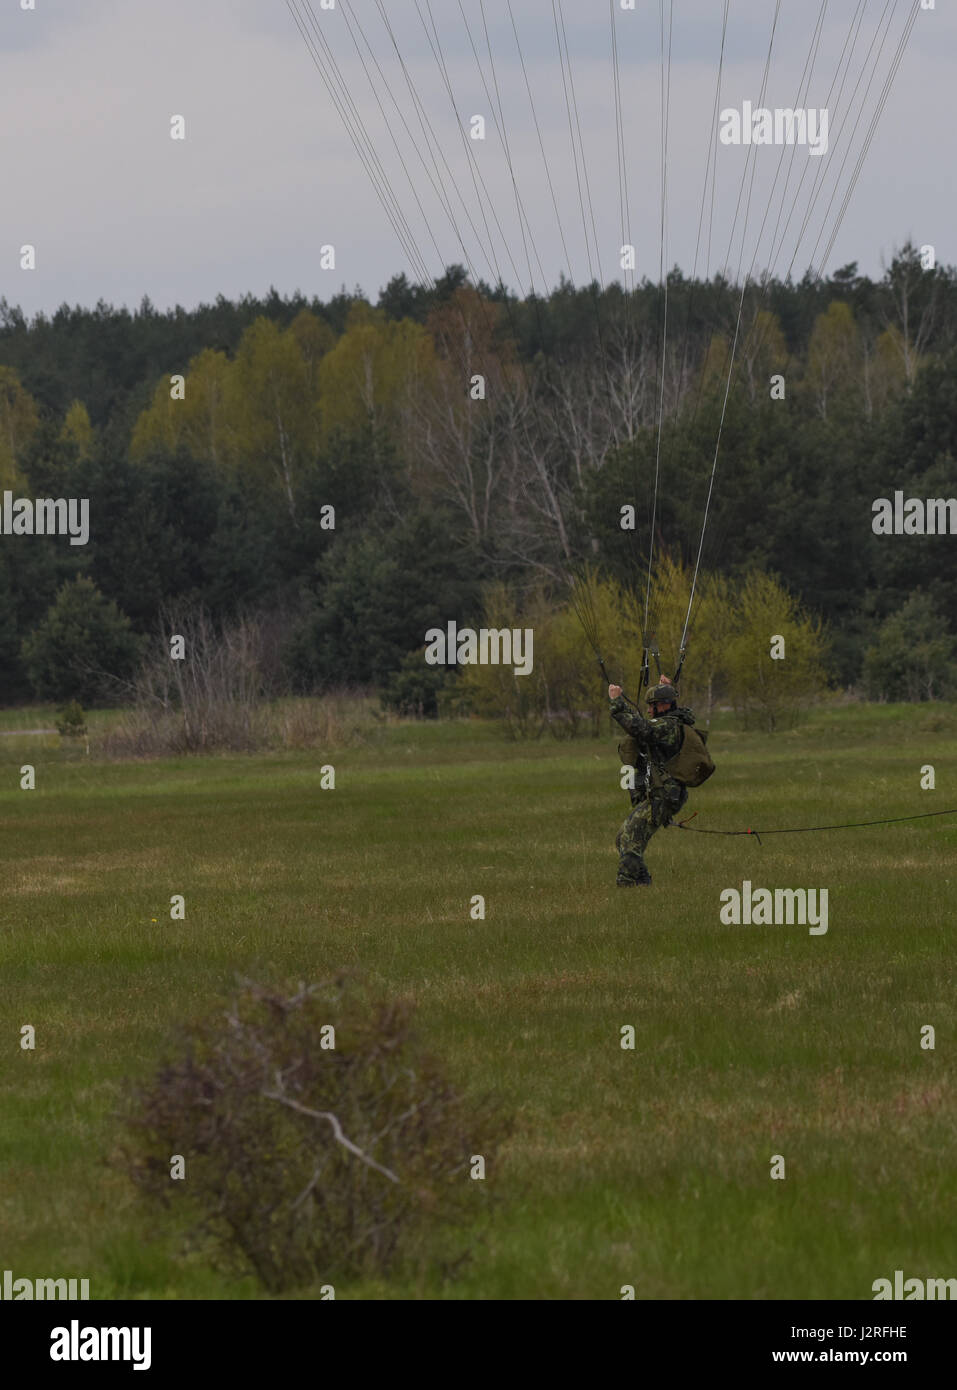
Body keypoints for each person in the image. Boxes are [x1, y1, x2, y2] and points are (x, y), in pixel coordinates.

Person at [607, 676, 693, 887]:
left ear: (664, 705)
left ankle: (626, 885)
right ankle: (642, 882)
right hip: (659, 794)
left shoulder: (669, 725)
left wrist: (617, 703)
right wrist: (666, 688)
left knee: (630, 838)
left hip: (664, 796)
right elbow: (642, 726)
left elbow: (640, 728)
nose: (648, 710)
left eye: (652, 705)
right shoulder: (669, 722)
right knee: (623, 837)